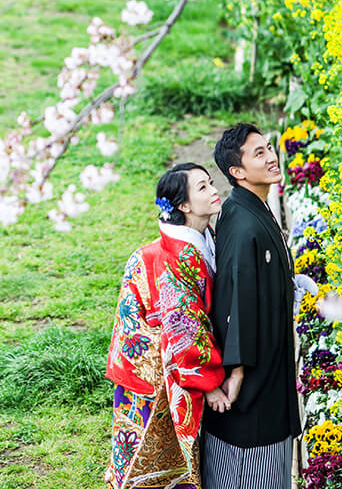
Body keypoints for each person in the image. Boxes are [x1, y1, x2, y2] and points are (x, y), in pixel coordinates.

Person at [105, 163, 232, 489]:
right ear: (184, 206)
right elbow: (184, 328)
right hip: (152, 365)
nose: (213, 190)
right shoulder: (177, 258)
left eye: (210, 183)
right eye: (202, 187)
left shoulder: (199, 240)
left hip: (157, 359)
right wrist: (210, 382)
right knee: (150, 460)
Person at [203, 123, 302, 489]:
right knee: (253, 467)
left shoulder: (243, 207)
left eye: (269, 148)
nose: (272, 157)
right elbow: (238, 295)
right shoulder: (246, 223)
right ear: (237, 171)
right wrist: (238, 369)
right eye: (258, 153)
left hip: (267, 356)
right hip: (253, 377)